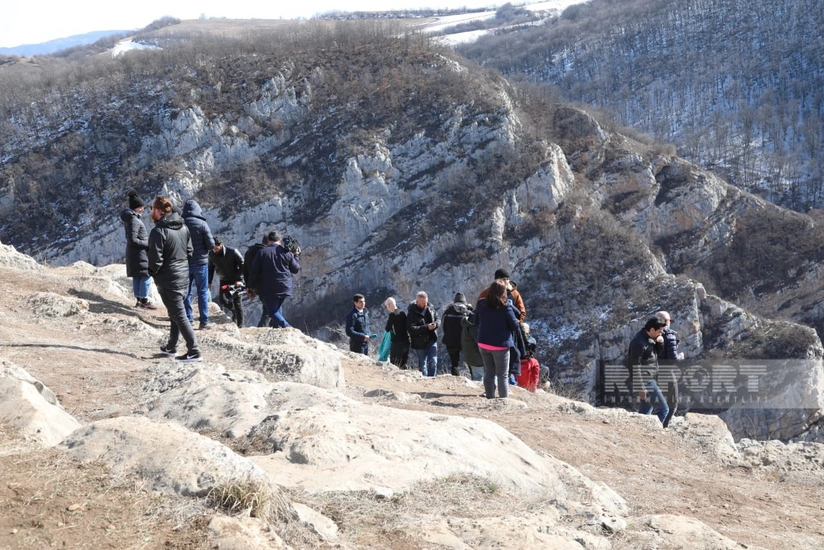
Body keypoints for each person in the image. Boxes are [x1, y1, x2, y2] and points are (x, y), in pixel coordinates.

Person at [148, 196, 201, 362]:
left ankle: (194, 350)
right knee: (175, 313)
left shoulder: (159, 231)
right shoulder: (183, 228)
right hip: (184, 277)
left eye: (152, 209)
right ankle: (171, 346)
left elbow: (155, 260)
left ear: (158, 211)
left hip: (168, 280)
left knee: (179, 314)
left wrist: (152, 272)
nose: (151, 212)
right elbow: (190, 252)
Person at [475, 280, 521, 399]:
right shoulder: (506, 308)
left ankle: (490, 397)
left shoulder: (481, 304)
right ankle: (503, 400)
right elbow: (515, 326)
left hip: (483, 343)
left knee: (489, 372)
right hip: (500, 345)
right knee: (502, 375)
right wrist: (510, 305)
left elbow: (476, 319)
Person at [247, 230, 300, 328]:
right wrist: (296, 256)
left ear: (268, 240)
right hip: (284, 287)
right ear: (279, 240)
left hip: (268, 288)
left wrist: (250, 287)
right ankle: (278, 331)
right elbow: (295, 269)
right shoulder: (286, 252)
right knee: (277, 309)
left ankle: (288, 328)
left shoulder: (262, 252)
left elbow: (254, 272)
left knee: (272, 312)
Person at [626, 317, 669, 424]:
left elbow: (654, 356)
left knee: (646, 410)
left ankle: (640, 431)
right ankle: (653, 432)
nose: (662, 333)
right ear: (652, 330)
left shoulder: (650, 338)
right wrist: (641, 388)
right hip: (646, 380)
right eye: (660, 331)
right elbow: (634, 366)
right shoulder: (638, 343)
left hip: (651, 377)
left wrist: (660, 343)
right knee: (664, 409)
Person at [119, 190, 157, 310]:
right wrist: (148, 244)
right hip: (139, 253)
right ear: (136, 208)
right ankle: (144, 300)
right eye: (141, 207)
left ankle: (139, 300)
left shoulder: (130, 219)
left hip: (134, 253)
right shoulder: (134, 220)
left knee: (138, 276)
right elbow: (133, 240)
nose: (143, 210)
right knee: (146, 275)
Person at [181, 199, 215, 330]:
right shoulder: (202, 224)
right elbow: (211, 245)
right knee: (202, 292)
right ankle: (204, 321)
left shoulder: (181, 224)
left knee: (186, 292)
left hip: (185, 263)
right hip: (201, 263)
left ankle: (188, 319)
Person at [208, 237, 245, 328]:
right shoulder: (211, 254)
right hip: (224, 279)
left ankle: (240, 325)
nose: (214, 250)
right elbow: (210, 269)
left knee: (238, 302)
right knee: (223, 300)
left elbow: (243, 264)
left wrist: (239, 279)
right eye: (213, 248)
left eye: (216, 248)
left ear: (221, 245)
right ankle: (234, 311)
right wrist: (209, 282)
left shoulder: (232, 252)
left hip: (236, 280)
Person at [406, 291, 440, 376]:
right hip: (419, 342)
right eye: (422, 303)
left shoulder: (431, 308)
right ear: (417, 302)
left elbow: (438, 318)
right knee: (423, 364)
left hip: (431, 339)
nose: (424, 305)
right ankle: (425, 381)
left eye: (425, 303)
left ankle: (432, 380)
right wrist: (426, 327)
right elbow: (410, 329)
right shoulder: (411, 313)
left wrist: (436, 324)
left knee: (433, 361)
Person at [441, 292, 472, 376]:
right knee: (470, 362)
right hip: (465, 341)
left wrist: (447, 335)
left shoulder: (447, 311)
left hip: (450, 340)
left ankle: (456, 379)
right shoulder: (468, 312)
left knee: (454, 363)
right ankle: (474, 379)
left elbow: (443, 326)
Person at [243, 235, 271, 327]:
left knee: (268, 307)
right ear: (269, 242)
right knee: (269, 309)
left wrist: (249, 288)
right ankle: (261, 328)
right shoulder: (264, 253)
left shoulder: (248, 253)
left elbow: (246, 272)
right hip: (266, 284)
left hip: (255, 286)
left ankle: (275, 328)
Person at [384, 297, 410, 368]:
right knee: (403, 363)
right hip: (406, 341)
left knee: (394, 363)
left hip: (397, 343)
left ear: (389, 305)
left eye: (386, 307)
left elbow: (387, 328)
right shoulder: (403, 313)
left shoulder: (392, 315)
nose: (387, 309)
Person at [461, 310, 484, 381]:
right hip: (479, 359)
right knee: (491, 381)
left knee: (477, 381)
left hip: (472, 358)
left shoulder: (469, 322)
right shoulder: (475, 325)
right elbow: (480, 342)